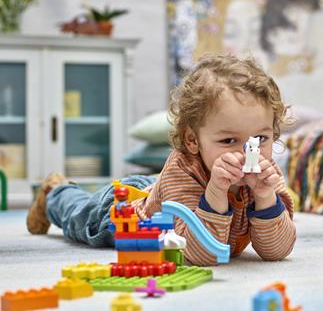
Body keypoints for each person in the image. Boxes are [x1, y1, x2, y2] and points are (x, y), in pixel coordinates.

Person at [27, 54, 296, 266]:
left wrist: (265, 199)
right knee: (80, 218)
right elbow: (199, 255)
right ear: (192, 141)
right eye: (228, 141)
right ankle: (55, 192)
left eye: (260, 139)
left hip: (160, 189)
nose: (247, 153)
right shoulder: (183, 167)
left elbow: (277, 251)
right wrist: (216, 190)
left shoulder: (266, 174)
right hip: (130, 211)